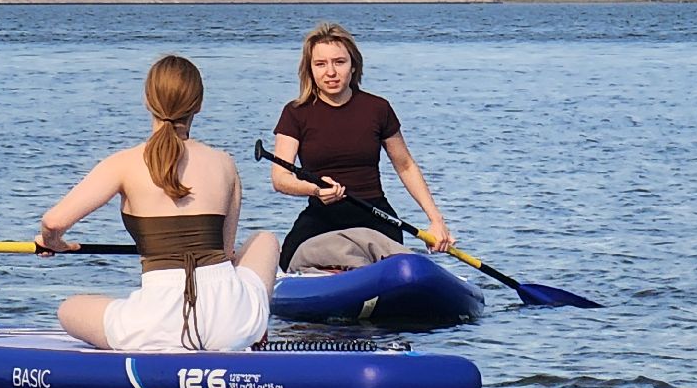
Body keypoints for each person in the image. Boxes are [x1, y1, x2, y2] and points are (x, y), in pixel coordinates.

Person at [38, 54, 278, 351]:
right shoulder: (224, 163)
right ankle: (255, 328)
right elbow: (228, 253)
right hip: (230, 321)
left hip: (156, 323)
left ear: (147, 101)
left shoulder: (123, 164)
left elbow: (54, 222)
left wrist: (53, 242)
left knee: (69, 309)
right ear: (199, 105)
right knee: (265, 239)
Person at [270, 22, 454, 272]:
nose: (331, 72)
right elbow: (280, 178)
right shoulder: (295, 113)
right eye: (321, 64)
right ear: (310, 70)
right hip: (321, 217)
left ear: (353, 65)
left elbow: (406, 165)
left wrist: (436, 221)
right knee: (288, 260)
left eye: (339, 62)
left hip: (375, 215)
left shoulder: (377, 108)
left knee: (404, 264)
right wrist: (315, 190)